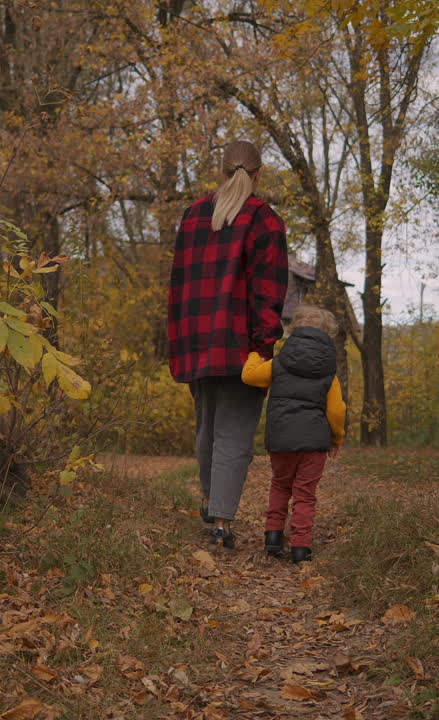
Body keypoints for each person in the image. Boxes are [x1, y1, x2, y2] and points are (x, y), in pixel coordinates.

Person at [167, 140, 289, 549]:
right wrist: (266, 344)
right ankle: (220, 521)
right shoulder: (264, 219)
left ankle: (209, 501)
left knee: (207, 430)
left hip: (196, 339)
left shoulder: (192, 216)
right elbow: (268, 291)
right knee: (233, 434)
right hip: (240, 344)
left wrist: (179, 338)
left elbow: (179, 285)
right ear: (258, 173)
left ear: (222, 171)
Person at [241, 304, 346, 564]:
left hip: (282, 439)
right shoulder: (328, 371)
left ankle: (273, 536)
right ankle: (301, 549)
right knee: (305, 494)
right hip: (314, 445)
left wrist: (255, 354)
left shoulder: (279, 364)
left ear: (294, 330)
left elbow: (249, 376)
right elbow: (336, 410)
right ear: (327, 336)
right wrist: (336, 438)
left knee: (280, 485)